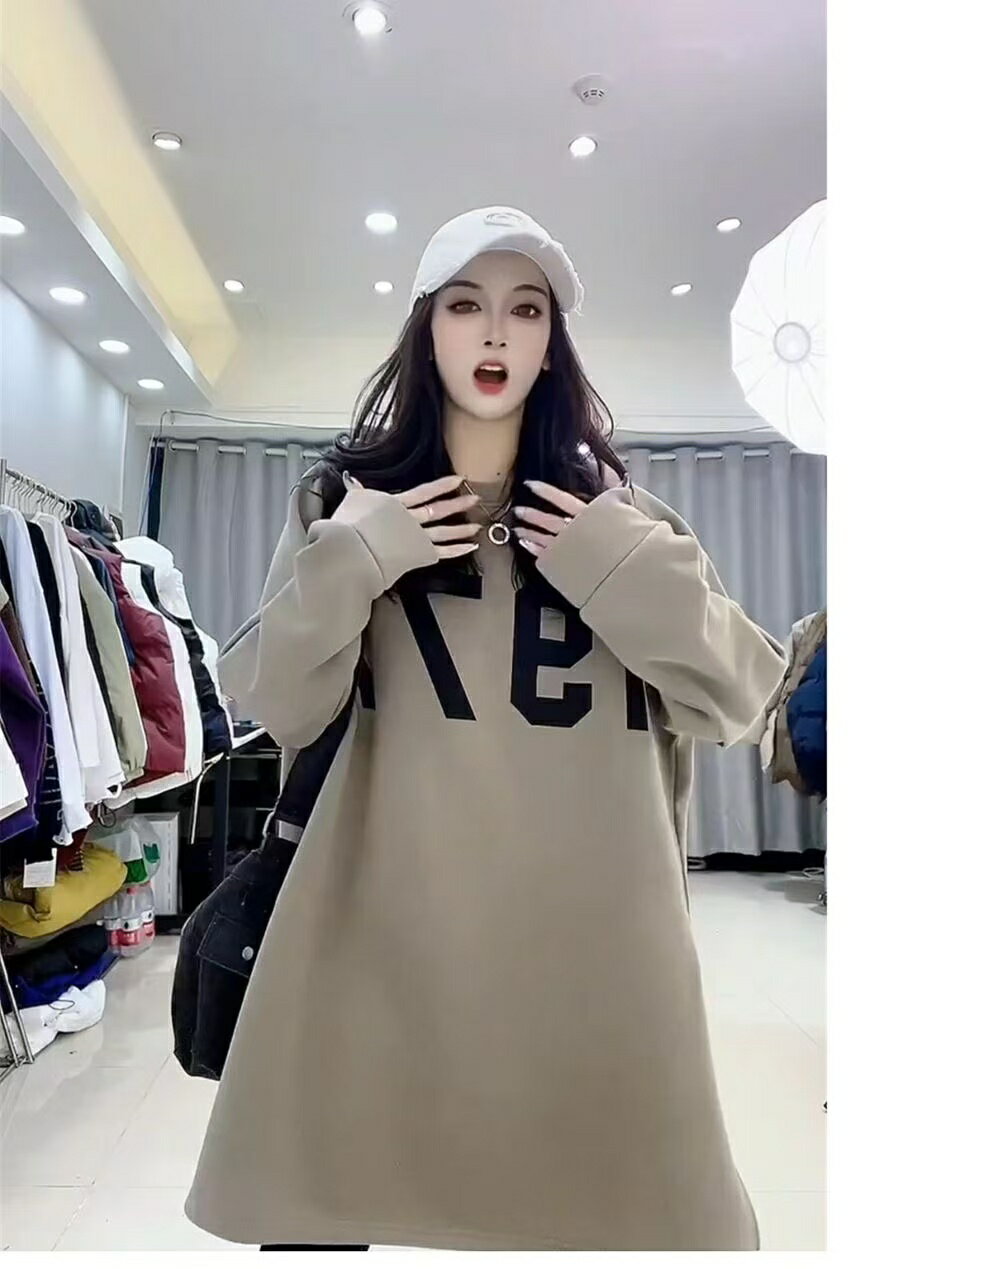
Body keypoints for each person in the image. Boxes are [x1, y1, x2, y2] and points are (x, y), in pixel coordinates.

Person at [185, 207, 787, 1251]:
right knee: (329, 1203)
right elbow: (279, 703)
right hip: (376, 946)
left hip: (592, 960)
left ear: (552, 344)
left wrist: (615, 564)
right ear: (427, 331)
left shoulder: (624, 521)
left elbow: (736, 700)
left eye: (526, 309)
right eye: (466, 306)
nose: (497, 332)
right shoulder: (346, 506)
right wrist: (357, 555)